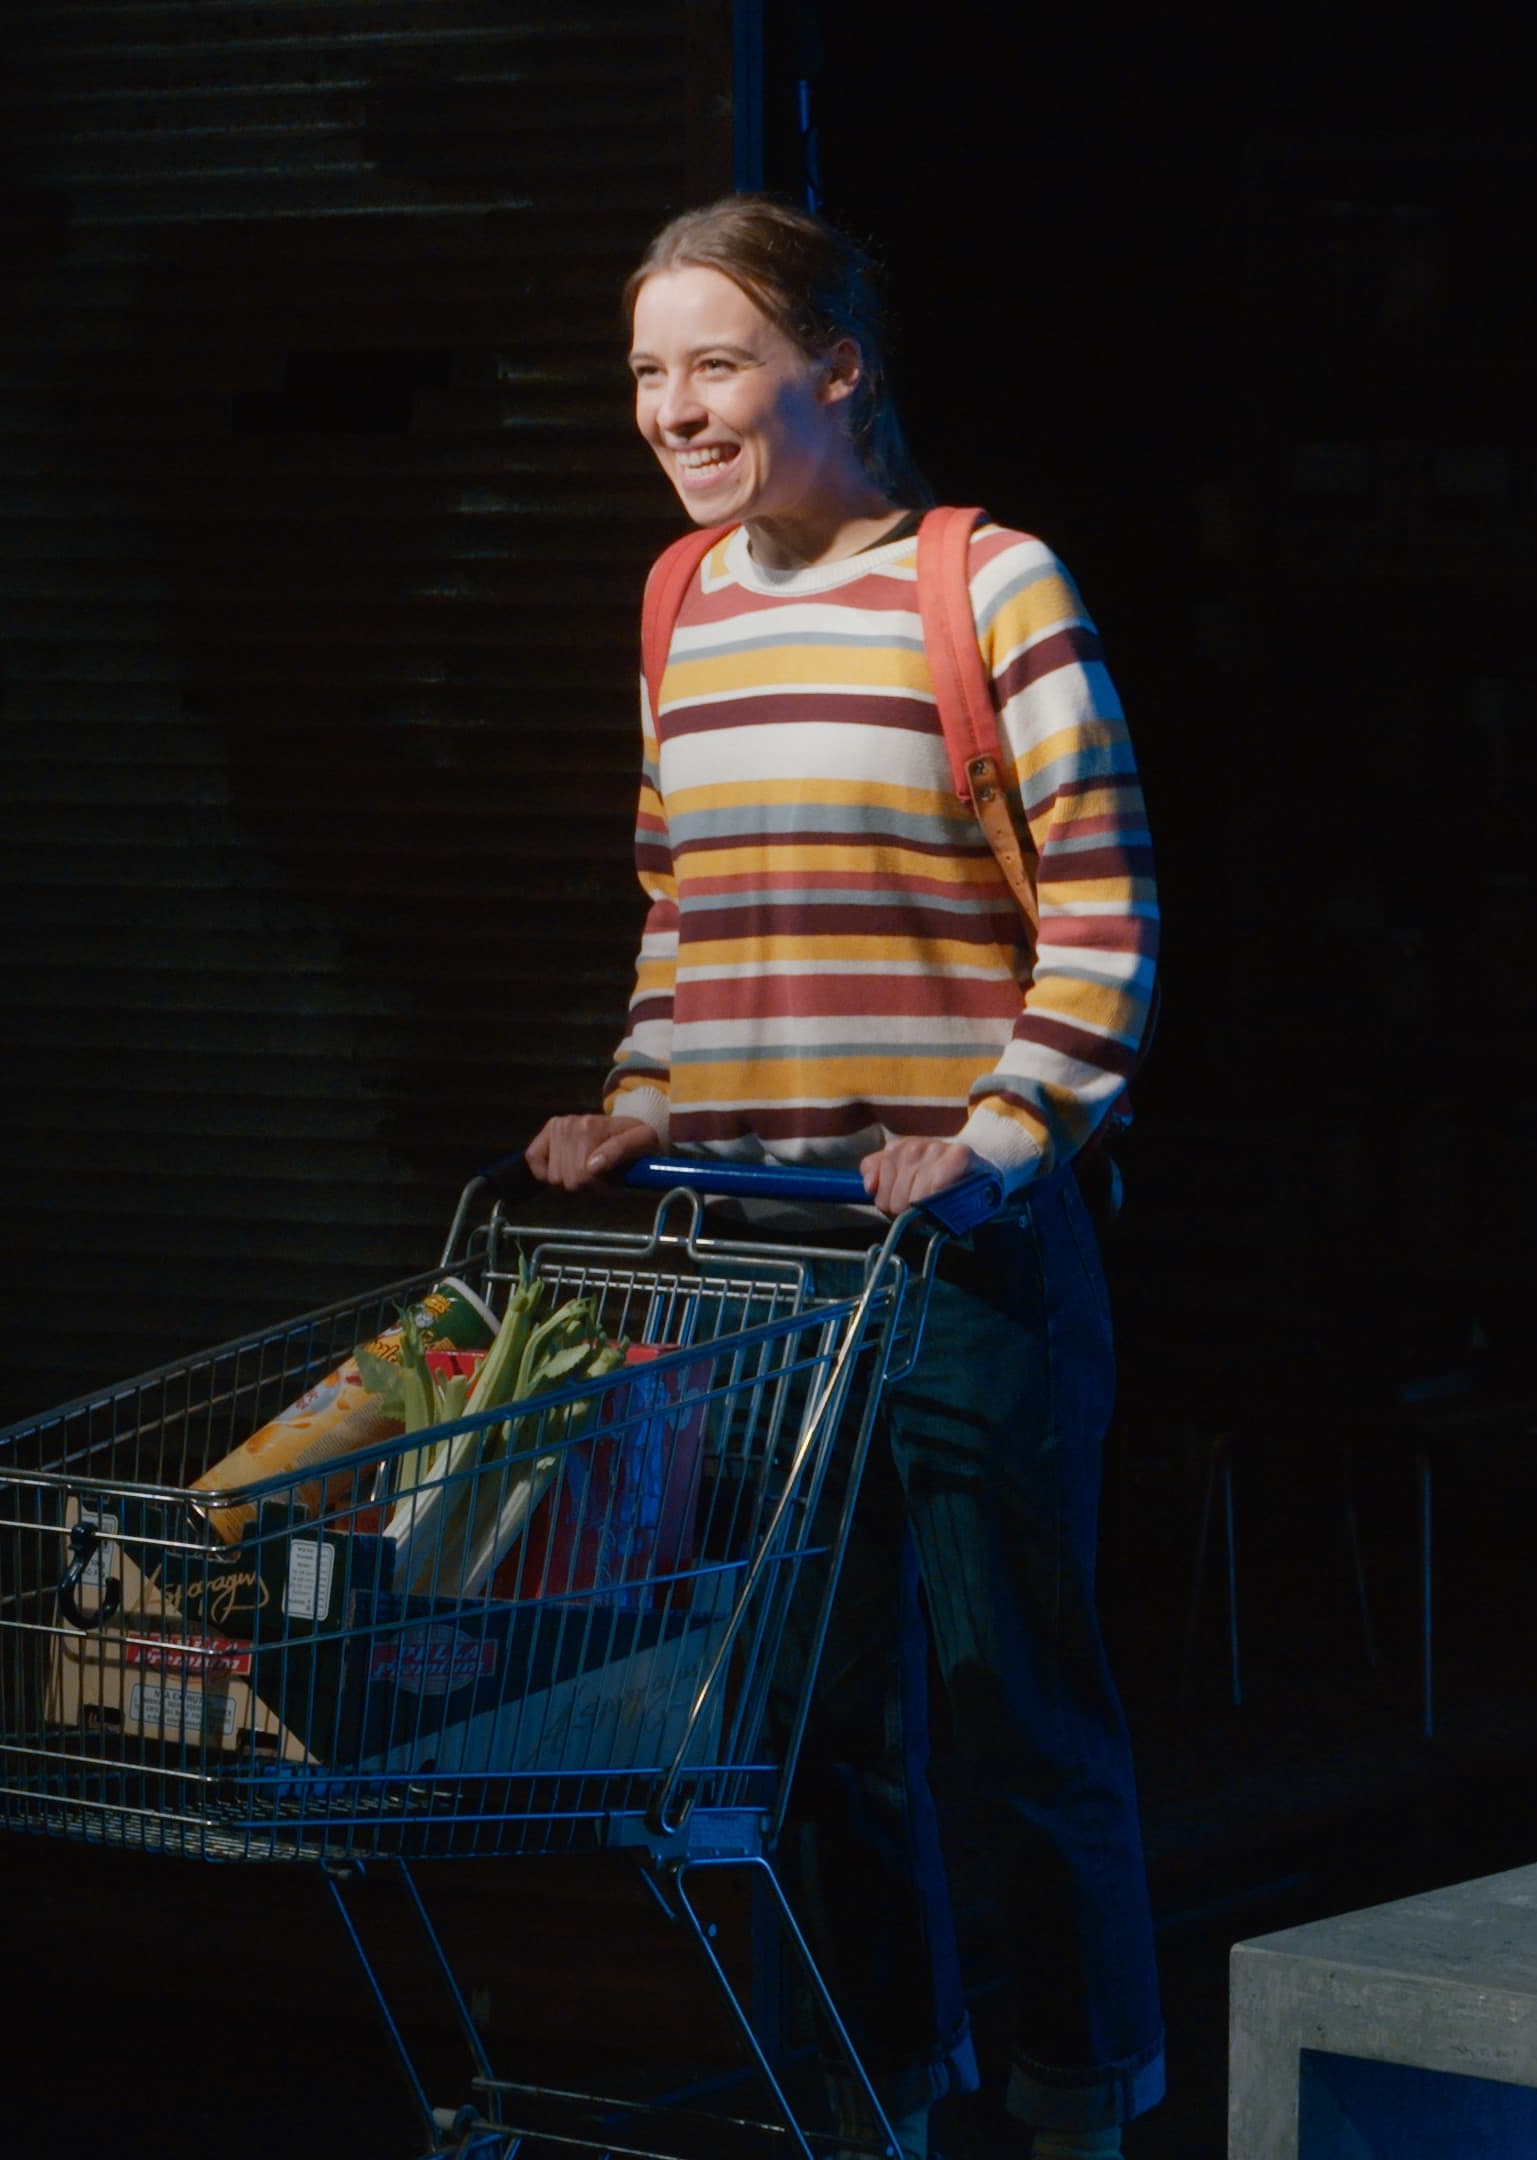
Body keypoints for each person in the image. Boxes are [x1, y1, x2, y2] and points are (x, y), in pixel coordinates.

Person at [525, 197, 1165, 2159]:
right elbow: (683, 909)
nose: (673, 407)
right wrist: (641, 1098)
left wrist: (994, 1142)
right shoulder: (678, 604)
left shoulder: (986, 586)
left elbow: (1105, 915)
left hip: (963, 1264)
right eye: (648, 370)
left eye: (715, 362)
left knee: (1011, 1714)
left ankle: (1081, 2105)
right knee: (806, 1727)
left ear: (838, 366)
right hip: (756, 1265)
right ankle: (876, 2099)